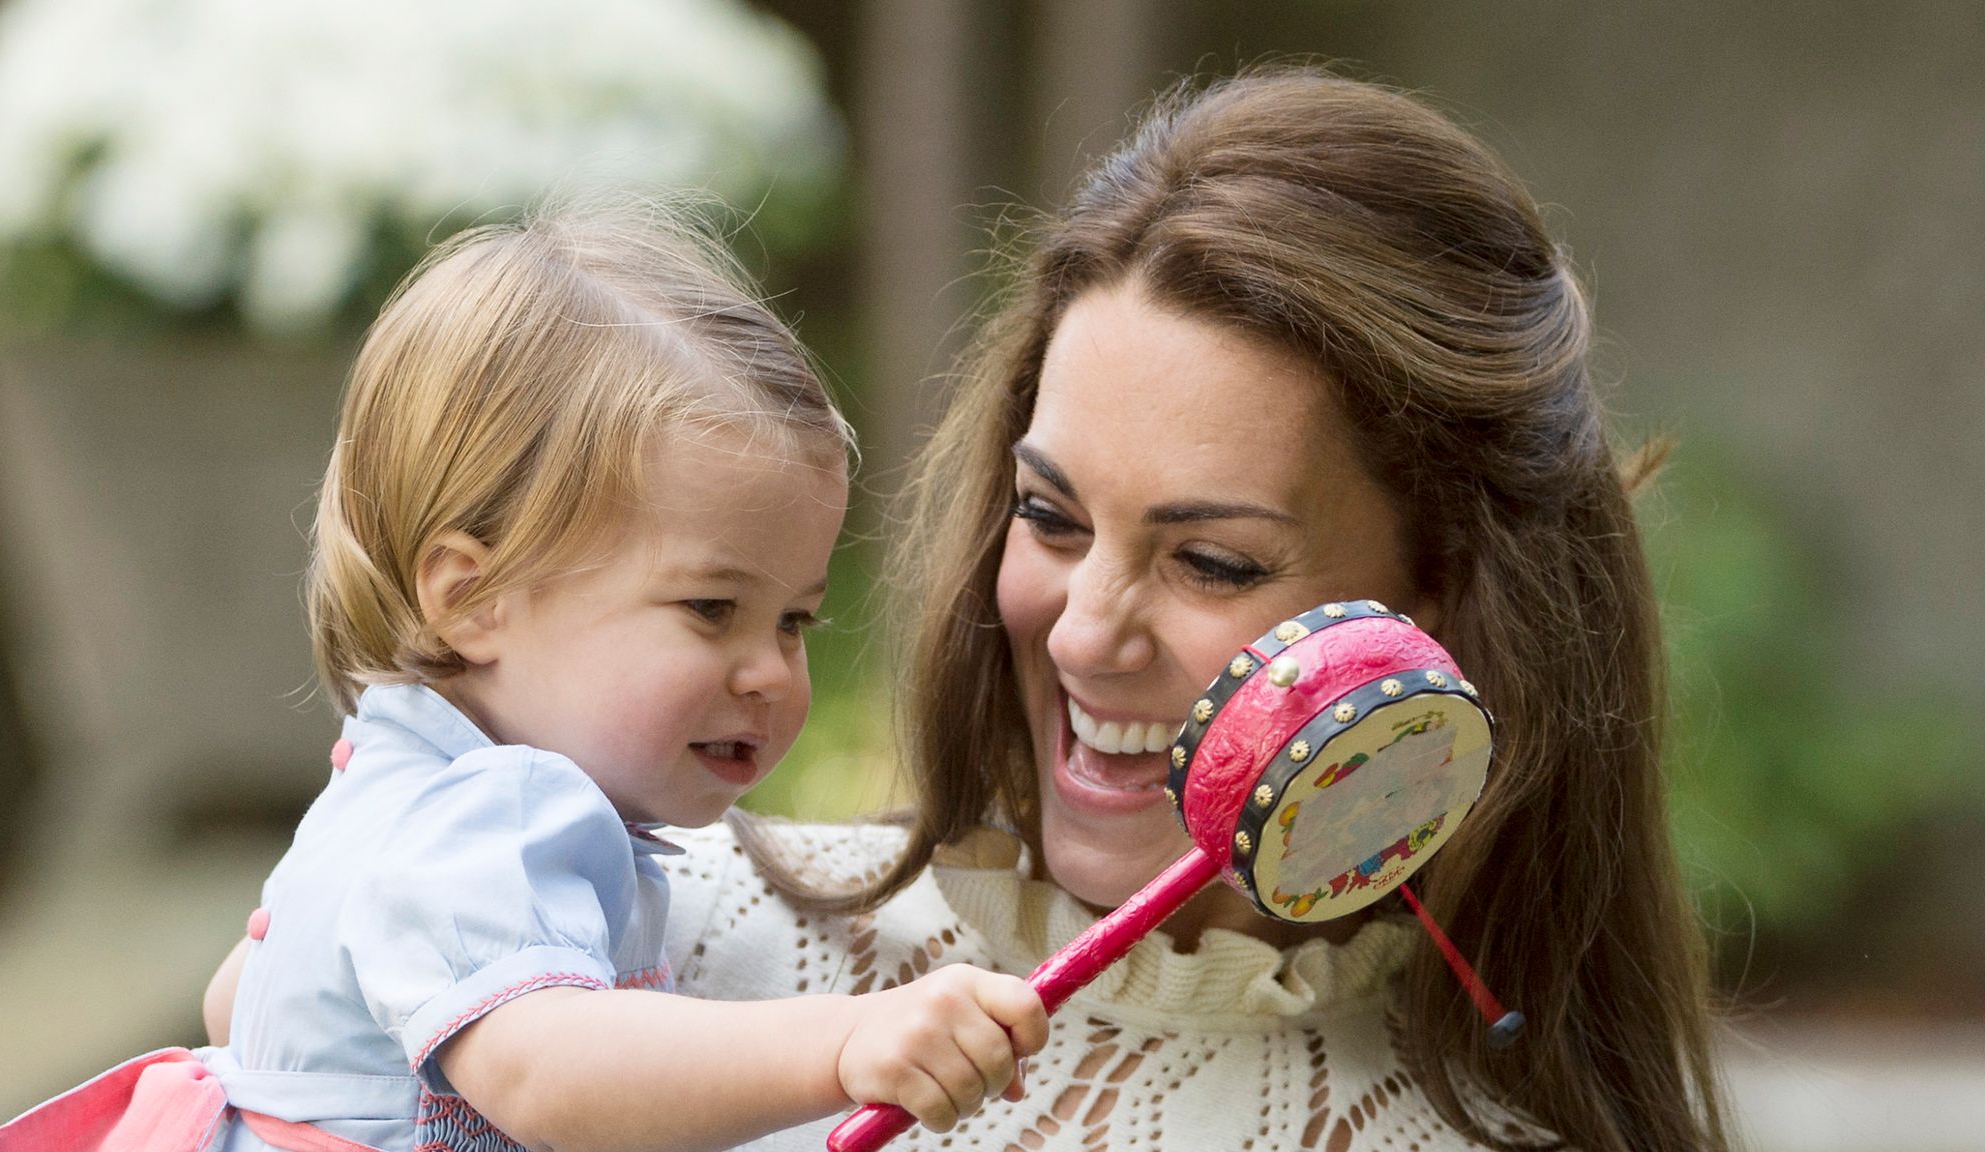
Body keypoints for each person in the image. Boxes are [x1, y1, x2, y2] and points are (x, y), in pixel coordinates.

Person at [664, 66, 1731, 1152]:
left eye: (1210, 562)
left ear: (1440, 604)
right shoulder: (640, 941)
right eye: (1048, 515)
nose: (1082, 631)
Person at [0, 206, 1048, 1152]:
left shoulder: (393, 783)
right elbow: (552, 1074)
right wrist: (847, 1037)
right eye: (709, 610)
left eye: (795, 621)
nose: (770, 672)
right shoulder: (492, 813)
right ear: (471, 598)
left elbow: (241, 1004)